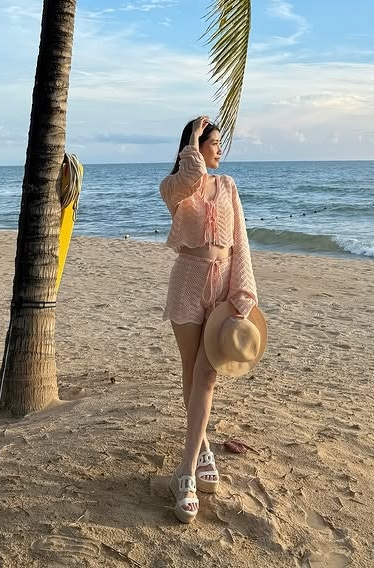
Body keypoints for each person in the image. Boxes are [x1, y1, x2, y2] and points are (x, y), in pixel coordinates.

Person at [159, 115, 258, 523]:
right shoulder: (174, 188)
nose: (220, 149)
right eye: (214, 142)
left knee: (207, 375)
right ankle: (201, 451)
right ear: (195, 148)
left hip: (221, 287)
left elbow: (240, 243)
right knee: (191, 370)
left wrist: (242, 293)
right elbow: (189, 179)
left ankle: (185, 472)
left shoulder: (228, 185)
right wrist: (194, 139)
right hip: (187, 281)